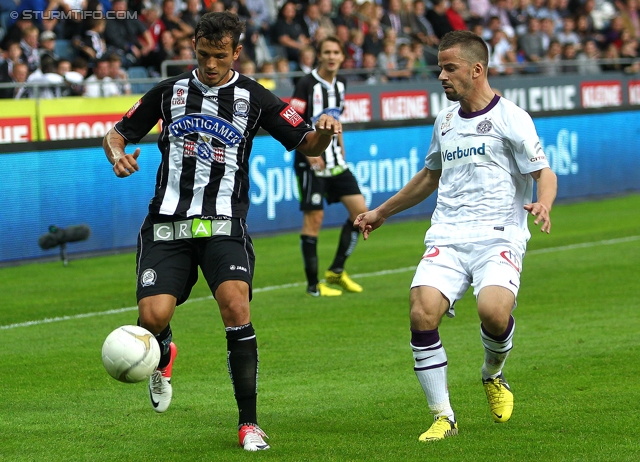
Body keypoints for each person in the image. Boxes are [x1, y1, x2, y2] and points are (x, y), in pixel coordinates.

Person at [102, 11, 341, 452]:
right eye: (204, 54)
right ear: (193, 46)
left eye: (220, 56)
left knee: (235, 305)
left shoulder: (254, 96)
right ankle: (164, 349)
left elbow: (306, 142)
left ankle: (248, 424)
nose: (211, 64)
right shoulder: (169, 91)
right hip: (167, 222)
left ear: (237, 52)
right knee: (153, 318)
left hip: (223, 223)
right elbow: (117, 133)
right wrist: (117, 155)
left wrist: (324, 134)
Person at [355, 30, 557, 442]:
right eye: (440, 68)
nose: (442, 76)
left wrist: (544, 202)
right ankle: (443, 415)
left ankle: (492, 374)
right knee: (421, 311)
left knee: (494, 313)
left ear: (476, 69)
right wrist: (380, 212)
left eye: (450, 68)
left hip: (498, 234)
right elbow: (430, 175)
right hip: (447, 233)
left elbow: (544, 172)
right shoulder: (445, 120)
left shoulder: (511, 118)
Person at [290, 36, 368, 297]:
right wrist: (309, 152)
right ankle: (313, 287)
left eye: (336, 52)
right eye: (327, 52)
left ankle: (336, 271)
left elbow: (336, 117)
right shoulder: (306, 84)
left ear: (342, 57)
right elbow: (293, 119)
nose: (332, 56)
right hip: (310, 161)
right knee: (314, 219)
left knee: (361, 214)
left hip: (336, 161)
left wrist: (341, 142)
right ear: (319, 56)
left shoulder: (341, 83)